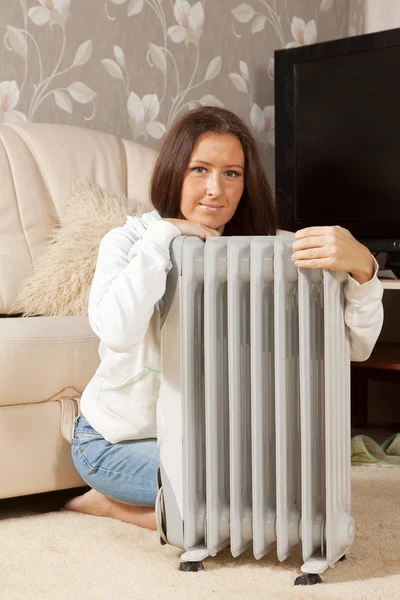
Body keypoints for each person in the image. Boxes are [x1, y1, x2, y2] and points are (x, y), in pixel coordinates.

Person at [65, 106, 383, 530]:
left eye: (231, 173)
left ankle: (170, 508)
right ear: (174, 172)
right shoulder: (129, 241)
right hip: (116, 441)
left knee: (285, 489)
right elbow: (118, 332)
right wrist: (166, 237)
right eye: (200, 169)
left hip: (212, 442)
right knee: (231, 495)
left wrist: (363, 268)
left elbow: (357, 347)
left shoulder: (272, 252)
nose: (215, 189)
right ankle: (110, 505)